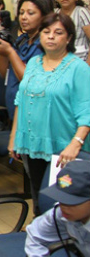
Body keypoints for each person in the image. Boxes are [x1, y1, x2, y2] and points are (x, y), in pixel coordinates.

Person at [9, 13, 90, 215]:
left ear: (69, 38)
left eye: (58, 32)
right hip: (33, 143)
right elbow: (21, 100)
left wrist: (76, 143)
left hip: (65, 148)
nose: (51, 36)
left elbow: (86, 110)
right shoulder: (34, 63)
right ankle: (40, 236)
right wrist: (14, 138)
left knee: (64, 202)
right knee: (40, 196)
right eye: (46, 32)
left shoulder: (78, 68)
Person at [25, 160, 90, 257]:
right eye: (61, 199)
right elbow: (35, 237)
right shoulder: (62, 214)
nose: (64, 206)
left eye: (72, 201)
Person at [0, 0, 51, 120]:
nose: (23, 17)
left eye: (30, 13)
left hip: (35, 112)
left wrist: (10, 52)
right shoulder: (22, 40)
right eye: (21, 12)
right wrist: (3, 52)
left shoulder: (45, 44)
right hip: (16, 109)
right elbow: (4, 74)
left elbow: (28, 79)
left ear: (44, 16)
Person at [55, 0, 90, 64]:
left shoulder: (81, 12)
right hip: (59, 60)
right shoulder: (54, 13)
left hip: (81, 59)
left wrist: (87, 66)